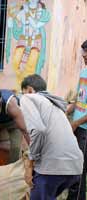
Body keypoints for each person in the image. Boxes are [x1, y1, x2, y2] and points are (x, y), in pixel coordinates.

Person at [20, 74, 83, 199]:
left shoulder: (28, 98)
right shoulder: (54, 103)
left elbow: (38, 130)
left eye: (23, 92)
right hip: (75, 166)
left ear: (30, 90)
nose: (23, 95)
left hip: (53, 168)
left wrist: (30, 164)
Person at [66, 40, 87, 200]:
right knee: (76, 165)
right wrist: (66, 109)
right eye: (83, 52)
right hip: (78, 127)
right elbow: (80, 100)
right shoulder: (84, 72)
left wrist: (76, 123)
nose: (84, 55)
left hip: (84, 129)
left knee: (78, 169)